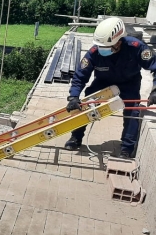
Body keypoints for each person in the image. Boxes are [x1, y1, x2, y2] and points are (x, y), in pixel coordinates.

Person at [64, 17, 156, 158]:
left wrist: (155, 91)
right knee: (85, 105)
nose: (103, 50)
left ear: (119, 41)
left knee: (133, 112)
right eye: (101, 47)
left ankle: (127, 148)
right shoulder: (94, 52)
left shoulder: (136, 47)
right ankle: (76, 137)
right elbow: (80, 75)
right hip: (103, 82)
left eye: (107, 47)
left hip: (129, 83)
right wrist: (73, 96)